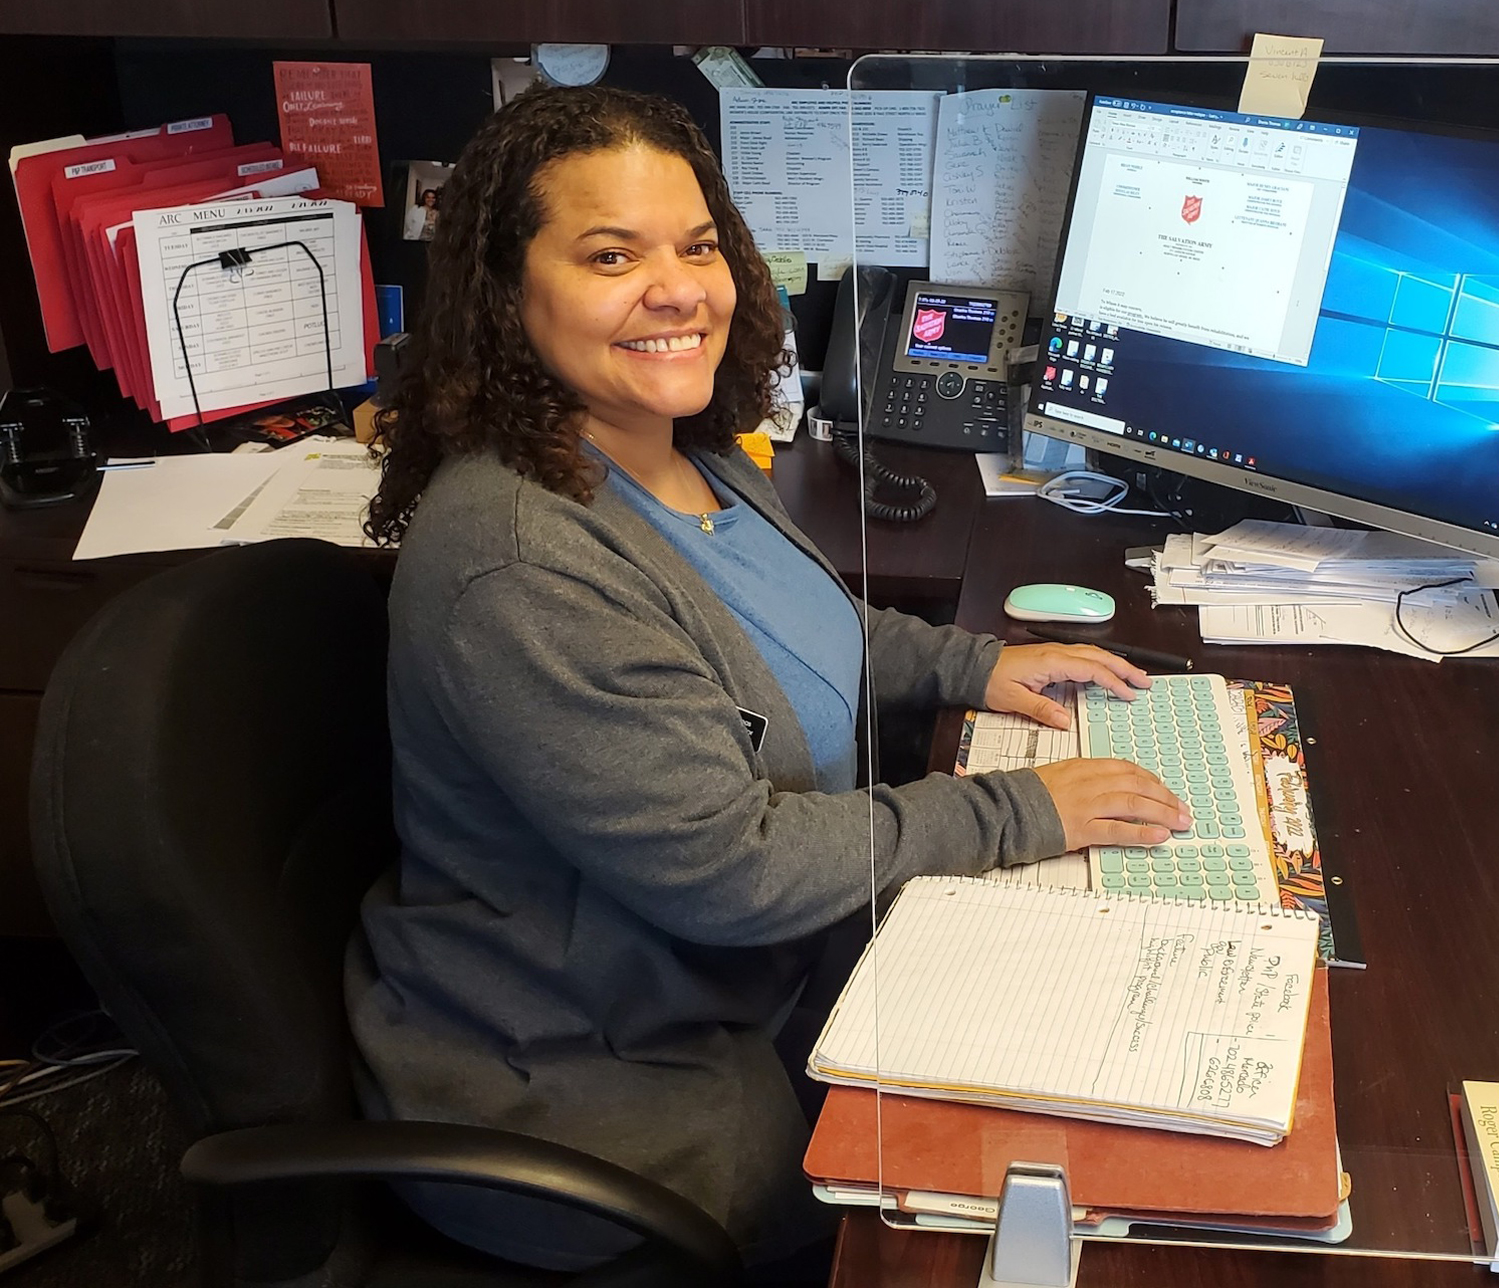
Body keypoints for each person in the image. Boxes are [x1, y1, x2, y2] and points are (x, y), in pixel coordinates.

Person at [347, 84, 1188, 1277]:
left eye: (695, 245)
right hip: (590, 1068)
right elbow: (731, 868)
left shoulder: (670, 454)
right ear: (504, 289)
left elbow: (800, 631)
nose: (678, 286)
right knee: (977, 1209)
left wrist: (974, 661)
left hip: (741, 989)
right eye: (608, 253)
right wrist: (1017, 811)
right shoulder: (520, 562)